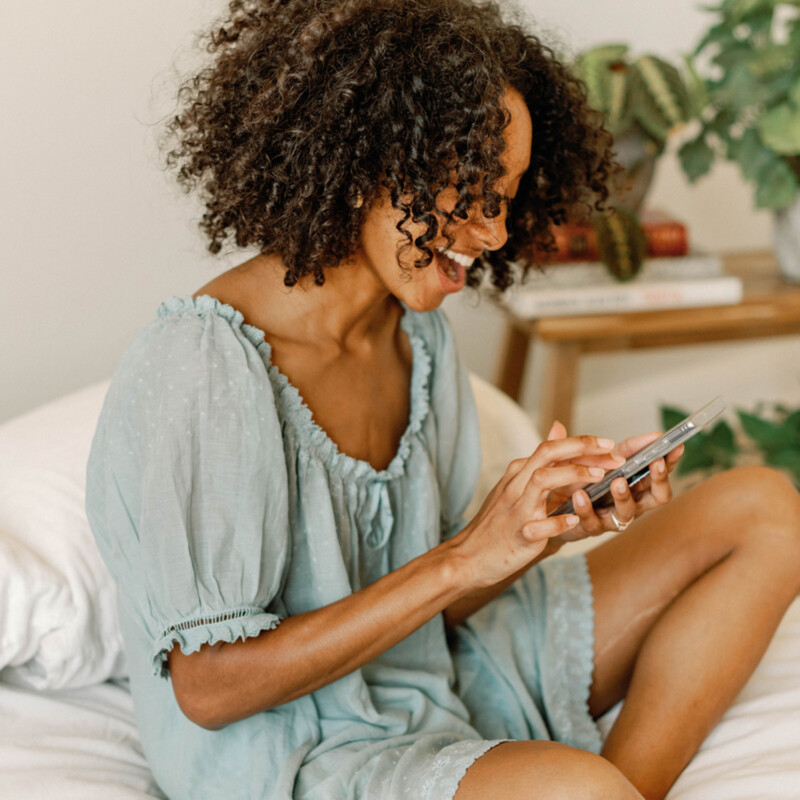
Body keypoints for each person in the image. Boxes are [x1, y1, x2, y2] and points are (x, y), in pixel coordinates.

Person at [85, 1, 800, 798]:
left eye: (507, 196)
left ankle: (621, 788)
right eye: (471, 189)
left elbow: (442, 607)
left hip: (433, 673)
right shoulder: (203, 364)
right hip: (296, 745)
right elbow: (210, 689)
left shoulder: (417, 337)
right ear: (367, 161)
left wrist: (538, 532)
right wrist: (463, 555)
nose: (493, 232)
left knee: (765, 508)